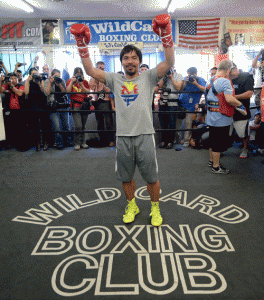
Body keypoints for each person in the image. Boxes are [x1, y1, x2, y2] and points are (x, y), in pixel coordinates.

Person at [70, 13, 175, 226]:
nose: (130, 61)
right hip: (123, 137)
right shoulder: (114, 78)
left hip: (145, 135)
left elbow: (170, 61)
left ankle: (155, 209)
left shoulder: (149, 76)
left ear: (139, 61)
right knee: (126, 177)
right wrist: (81, 44)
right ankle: (132, 204)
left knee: (152, 178)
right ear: (122, 62)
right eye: (126, 58)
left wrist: (166, 36)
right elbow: (90, 69)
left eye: (134, 58)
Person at [205, 60, 247, 174]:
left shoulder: (210, 80)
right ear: (228, 69)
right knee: (218, 143)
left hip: (211, 116)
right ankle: (216, 167)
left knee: (213, 140)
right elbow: (229, 99)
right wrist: (241, 105)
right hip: (221, 118)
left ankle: (211, 161)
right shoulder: (225, 81)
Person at [229, 63, 254, 159]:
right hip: (229, 110)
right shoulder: (228, 79)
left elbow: (249, 93)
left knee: (243, 133)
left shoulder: (246, 76)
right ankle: (221, 148)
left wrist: (233, 97)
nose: (230, 75)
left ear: (235, 68)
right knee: (226, 131)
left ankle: (245, 149)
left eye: (231, 72)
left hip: (241, 110)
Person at [178, 67, 206, 147]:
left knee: (188, 123)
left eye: (191, 74)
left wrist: (195, 83)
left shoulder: (200, 80)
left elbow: (204, 89)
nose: (190, 76)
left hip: (192, 106)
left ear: (195, 73)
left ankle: (186, 140)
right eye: (188, 74)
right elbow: (180, 89)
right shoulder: (185, 79)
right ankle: (181, 139)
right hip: (182, 104)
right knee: (181, 124)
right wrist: (185, 83)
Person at [24, 67, 51, 151]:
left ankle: (46, 142)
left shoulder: (41, 80)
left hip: (42, 105)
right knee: (35, 126)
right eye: (33, 74)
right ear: (30, 75)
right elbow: (26, 92)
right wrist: (28, 81)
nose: (35, 75)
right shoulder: (28, 82)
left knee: (45, 125)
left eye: (36, 73)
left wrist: (39, 82)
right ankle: (38, 143)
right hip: (33, 106)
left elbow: (44, 91)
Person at [157, 67, 184, 149]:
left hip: (173, 103)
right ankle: (163, 141)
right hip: (163, 103)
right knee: (163, 124)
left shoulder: (178, 76)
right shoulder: (162, 75)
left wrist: (171, 77)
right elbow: (159, 86)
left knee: (171, 124)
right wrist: (164, 77)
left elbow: (178, 87)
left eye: (170, 67)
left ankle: (170, 142)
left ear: (173, 67)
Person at [89, 61, 115, 147]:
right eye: (99, 68)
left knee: (108, 122)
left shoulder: (107, 77)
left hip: (106, 101)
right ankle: (103, 140)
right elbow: (91, 86)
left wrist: (102, 80)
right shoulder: (93, 77)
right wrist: (96, 77)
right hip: (97, 102)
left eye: (102, 68)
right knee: (99, 123)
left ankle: (111, 140)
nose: (101, 69)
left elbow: (108, 90)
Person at [66, 67, 92, 150]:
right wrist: (72, 82)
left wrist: (81, 84)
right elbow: (68, 92)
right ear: (74, 74)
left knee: (83, 126)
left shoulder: (84, 82)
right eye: (77, 73)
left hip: (84, 105)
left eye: (80, 73)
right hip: (75, 105)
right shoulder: (70, 81)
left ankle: (83, 142)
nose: (79, 74)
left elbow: (88, 92)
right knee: (78, 126)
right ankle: (77, 143)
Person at [0, 72, 27, 151]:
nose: (14, 80)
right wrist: (1, 81)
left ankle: (23, 146)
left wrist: (11, 86)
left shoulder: (21, 85)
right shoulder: (7, 86)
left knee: (22, 129)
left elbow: (19, 93)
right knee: (13, 129)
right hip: (11, 110)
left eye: (15, 78)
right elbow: (1, 90)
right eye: (12, 78)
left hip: (21, 110)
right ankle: (15, 144)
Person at [44, 69, 70, 150]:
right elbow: (46, 93)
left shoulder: (61, 81)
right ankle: (59, 143)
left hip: (62, 105)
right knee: (57, 126)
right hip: (53, 106)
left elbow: (64, 93)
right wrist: (51, 82)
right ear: (51, 76)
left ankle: (67, 141)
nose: (57, 78)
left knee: (66, 125)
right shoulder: (47, 81)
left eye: (59, 76)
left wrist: (59, 85)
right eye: (56, 76)